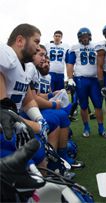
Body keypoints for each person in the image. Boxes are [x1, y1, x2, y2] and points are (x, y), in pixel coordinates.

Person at [25, 45, 83, 169]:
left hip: (28, 109)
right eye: (41, 55)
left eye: (46, 57)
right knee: (58, 117)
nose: (44, 59)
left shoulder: (37, 71)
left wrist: (52, 95)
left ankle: (59, 157)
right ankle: (56, 161)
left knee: (62, 114)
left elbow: (36, 95)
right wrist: (52, 104)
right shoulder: (29, 68)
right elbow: (32, 99)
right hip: (22, 112)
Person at [0, 23, 49, 169]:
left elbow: (27, 100)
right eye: (36, 41)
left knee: (40, 153)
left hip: (11, 125)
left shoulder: (24, 67)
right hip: (6, 127)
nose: (39, 48)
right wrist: (37, 127)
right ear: (20, 41)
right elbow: (5, 114)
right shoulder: (6, 54)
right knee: (33, 157)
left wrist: (39, 118)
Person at [67, 27, 106, 138]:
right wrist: (70, 78)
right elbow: (70, 64)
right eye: (82, 37)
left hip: (94, 80)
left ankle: (101, 128)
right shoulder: (74, 47)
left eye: (86, 37)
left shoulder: (96, 46)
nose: (85, 39)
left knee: (98, 105)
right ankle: (86, 128)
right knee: (84, 106)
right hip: (81, 79)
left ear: (90, 36)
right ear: (79, 38)